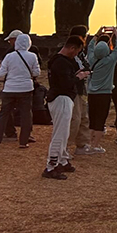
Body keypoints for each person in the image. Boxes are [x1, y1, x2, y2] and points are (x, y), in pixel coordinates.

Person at [43, 35, 89, 180]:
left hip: (61, 98)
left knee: (63, 132)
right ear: (72, 48)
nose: (76, 54)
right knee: (60, 134)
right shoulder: (61, 63)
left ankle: (62, 160)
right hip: (61, 98)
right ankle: (51, 166)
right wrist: (79, 77)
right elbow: (65, 83)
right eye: (76, 51)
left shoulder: (59, 61)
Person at [0, 32, 40, 149]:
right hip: (26, 88)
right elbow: (36, 73)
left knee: (4, 113)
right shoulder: (32, 56)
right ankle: (23, 141)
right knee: (26, 114)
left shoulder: (9, 56)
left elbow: (0, 74)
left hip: (9, 88)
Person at [84, 27, 117, 154]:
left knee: (92, 119)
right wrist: (116, 34)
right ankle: (95, 145)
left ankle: (89, 143)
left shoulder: (91, 58)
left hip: (91, 93)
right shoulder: (110, 61)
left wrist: (97, 34)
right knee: (101, 120)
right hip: (104, 93)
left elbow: (90, 46)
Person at [66, 25, 93, 155]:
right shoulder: (71, 53)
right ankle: (65, 146)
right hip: (74, 88)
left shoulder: (81, 52)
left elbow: (86, 65)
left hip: (80, 87)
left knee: (83, 117)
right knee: (75, 119)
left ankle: (82, 144)